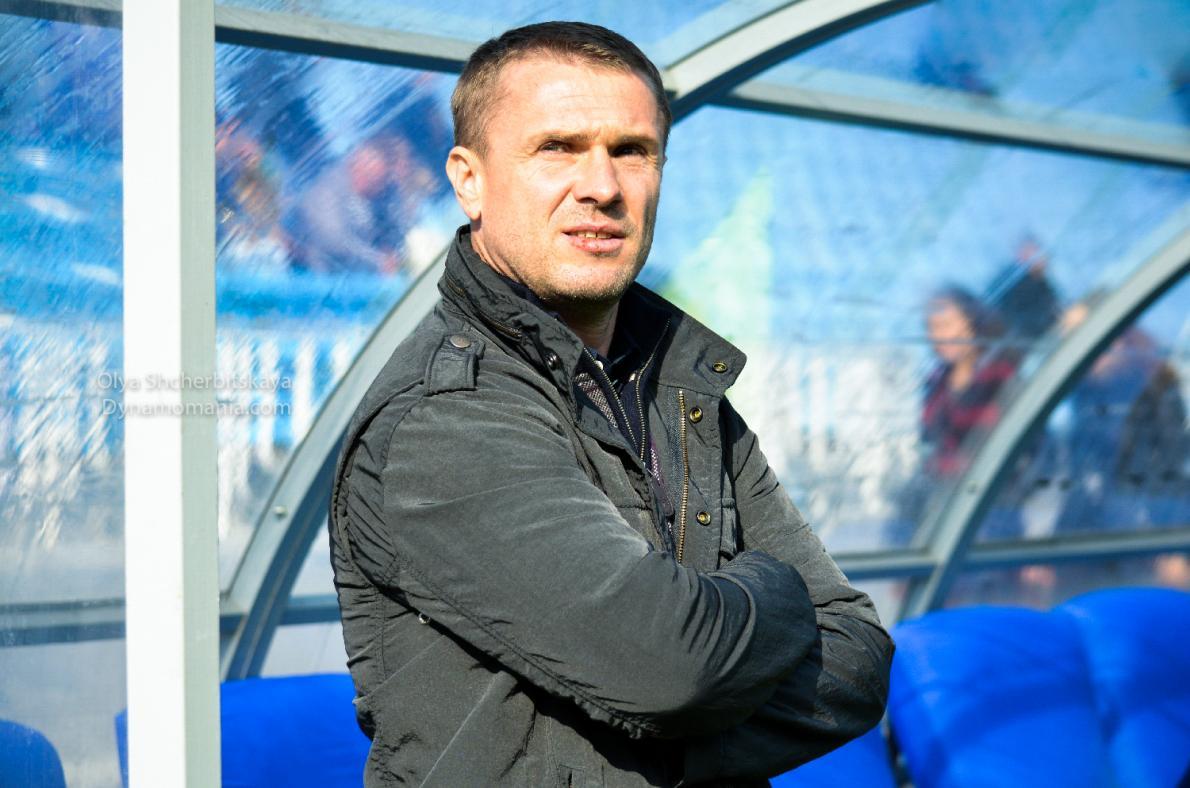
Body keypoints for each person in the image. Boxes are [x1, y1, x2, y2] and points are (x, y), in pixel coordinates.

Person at [329, 22, 893, 786]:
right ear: (469, 180)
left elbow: (857, 658)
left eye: (632, 150)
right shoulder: (444, 416)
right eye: (557, 147)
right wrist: (778, 593)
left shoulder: (682, 387)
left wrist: (684, 692)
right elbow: (670, 665)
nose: (602, 185)